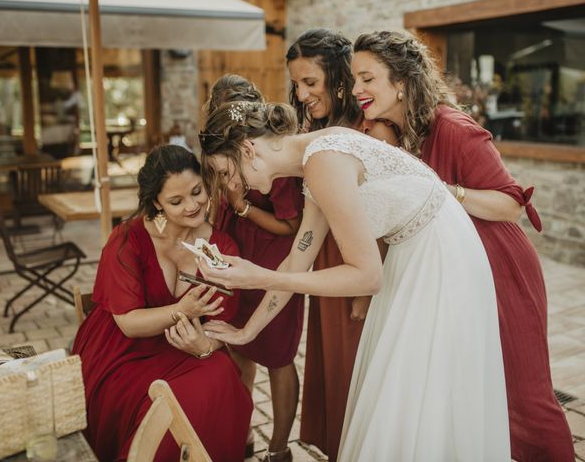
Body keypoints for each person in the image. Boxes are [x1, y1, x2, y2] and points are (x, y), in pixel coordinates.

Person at [198, 100, 510, 461]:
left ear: (248, 149)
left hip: (437, 256)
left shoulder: (323, 163)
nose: (232, 184)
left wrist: (257, 276)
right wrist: (247, 332)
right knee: (405, 385)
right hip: (419, 250)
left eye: (224, 172)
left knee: (418, 384)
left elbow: (367, 277)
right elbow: (295, 263)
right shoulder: (314, 163)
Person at [351, 30, 574, 462]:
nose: (357, 89)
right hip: (454, 274)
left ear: (401, 82)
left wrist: (441, 190)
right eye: (354, 79)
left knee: (525, 398)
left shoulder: (452, 127)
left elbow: (510, 203)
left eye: (366, 78)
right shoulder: (398, 131)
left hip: (500, 269)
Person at [72, 145, 252, 462]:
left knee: (221, 373)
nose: (193, 205)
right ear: (156, 202)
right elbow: (127, 323)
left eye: (197, 192)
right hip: (123, 350)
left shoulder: (221, 246)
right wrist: (182, 310)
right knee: (165, 401)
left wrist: (204, 344)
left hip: (184, 348)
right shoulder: (127, 239)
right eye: (176, 201)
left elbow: (221, 323)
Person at [286, 28, 396, 461]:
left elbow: (386, 218)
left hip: (362, 274)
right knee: (336, 373)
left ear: (337, 77)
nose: (301, 94)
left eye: (309, 83)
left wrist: (364, 297)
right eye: (296, 85)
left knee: (360, 377)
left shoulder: (372, 130)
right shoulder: (324, 130)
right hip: (330, 266)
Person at [203, 74, 304, 462]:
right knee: (236, 349)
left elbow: (292, 228)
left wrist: (243, 206)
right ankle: (239, 436)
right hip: (233, 254)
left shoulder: (269, 160)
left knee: (278, 356)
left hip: (272, 260)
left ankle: (278, 449)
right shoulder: (222, 153)